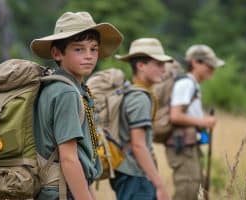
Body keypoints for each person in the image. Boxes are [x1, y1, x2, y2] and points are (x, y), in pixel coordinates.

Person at [30, 11, 123, 200]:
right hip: (62, 192)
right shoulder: (67, 93)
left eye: (94, 49)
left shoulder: (59, 86)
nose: (89, 56)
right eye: (79, 49)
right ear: (57, 53)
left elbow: (80, 157)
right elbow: (69, 159)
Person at [110, 38, 172, 200]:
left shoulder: (129, 92)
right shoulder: (140, 98)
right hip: (136, 176)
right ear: (141, 66)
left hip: (127, 174)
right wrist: (159, 185)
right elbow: (138, 145)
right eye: (158, 64)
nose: (164, 70)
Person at [165, 44, 224, 200]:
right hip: (182, 146)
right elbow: (175, 116)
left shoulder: (192, 84)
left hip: (189, 146)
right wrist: (204, 122)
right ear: (194, 62)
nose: (212, 69)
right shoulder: (186, 84)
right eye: (208, 65)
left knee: (194, 190)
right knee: (187, 192)